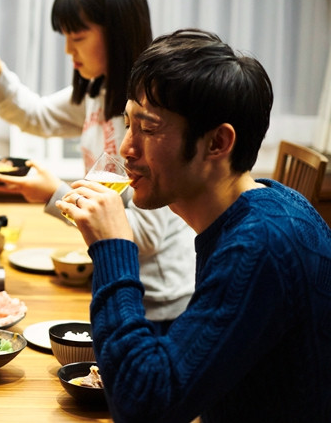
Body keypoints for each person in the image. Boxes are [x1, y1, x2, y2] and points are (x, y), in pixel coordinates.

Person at [56, 29, 331, 422]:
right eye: (128, 124)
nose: (127, 149)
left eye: (148, 129)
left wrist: (114, 247)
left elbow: (144, 405)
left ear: (218, 143)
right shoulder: (264, 208)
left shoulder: (262, 243)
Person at [0, 0, 195, 327]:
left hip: (158, 301)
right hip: (120, 281)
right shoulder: (99, 91)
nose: (69, 49)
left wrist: (55, 195)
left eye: (79, 36)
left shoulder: (149, 117)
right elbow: (36, 115)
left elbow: (146, 236)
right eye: (65, 36)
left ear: (117, 35)